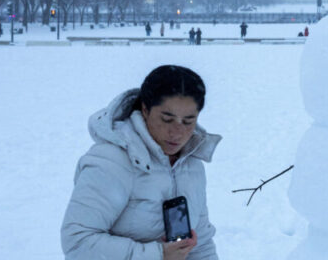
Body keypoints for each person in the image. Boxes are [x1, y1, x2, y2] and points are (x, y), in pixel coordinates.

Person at [61, 65, 221, 260]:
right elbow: (78, 241)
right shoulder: (112, 161)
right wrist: (158, 255)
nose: (178, 132)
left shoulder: (191, 163)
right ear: (145, 110)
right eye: (167, 119)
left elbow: (201, 243)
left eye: (188, 121)